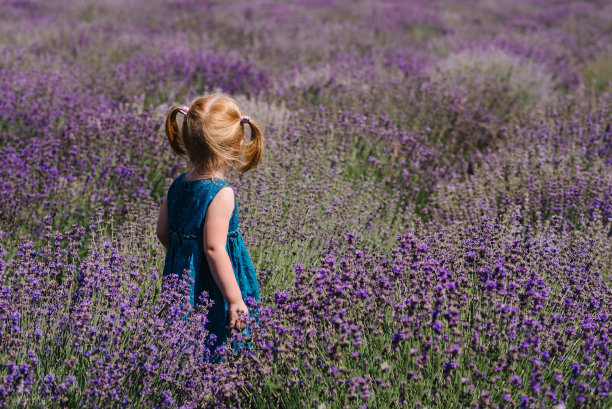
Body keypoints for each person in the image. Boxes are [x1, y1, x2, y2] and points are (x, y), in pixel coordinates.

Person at [156, 92, 263, 363]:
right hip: (215, 283)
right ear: (238, 145)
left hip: (181, 278)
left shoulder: (178, 184)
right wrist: (235, 300)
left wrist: (184, 258)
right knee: (217, 340)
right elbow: (215, 249)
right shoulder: (221, 192)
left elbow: (162, 232)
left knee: (183, 339)